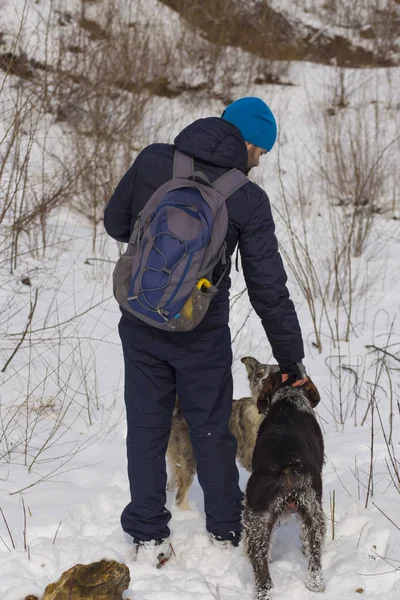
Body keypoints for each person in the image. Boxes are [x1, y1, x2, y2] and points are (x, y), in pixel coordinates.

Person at [104, 97, 307, 557]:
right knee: (212, 426)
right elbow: (268, 289)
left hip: (139, 318)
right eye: (261, 153)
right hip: (201, 332)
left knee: (146, 425)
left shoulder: (156, 159)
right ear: (249, 143)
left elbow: (116, 223)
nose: (258, 162)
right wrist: (290, 357)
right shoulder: (248, 199)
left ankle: (145, 527)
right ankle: (224, 525)